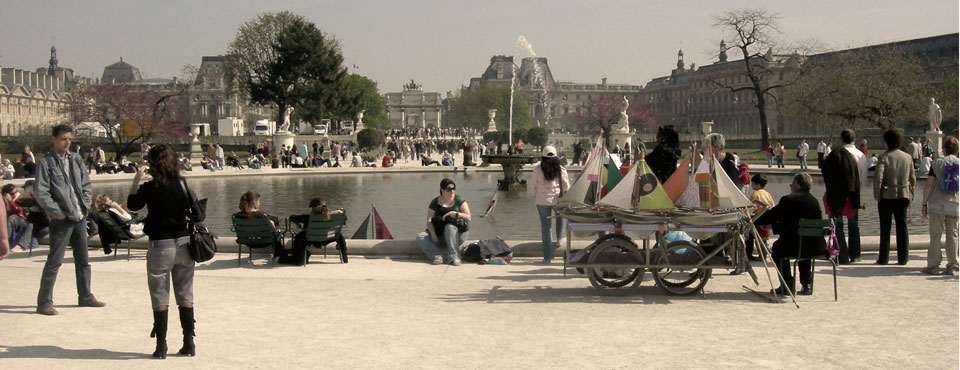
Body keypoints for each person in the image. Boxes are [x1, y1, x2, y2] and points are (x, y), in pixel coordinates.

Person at [127, 144, 200, 359]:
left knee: (160, 294)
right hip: (184, 243)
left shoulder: (150, 188)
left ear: (152, 164)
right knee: (185, 293)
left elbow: (133, 205)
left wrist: (135, 180)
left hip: (161, 245)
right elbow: (196, 211)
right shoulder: (182, 184)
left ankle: (161, 345)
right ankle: (189, 342)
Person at [34, 124, 104, 316]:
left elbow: (86, 184)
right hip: (62, 219)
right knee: (55, 261)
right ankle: (44, 302)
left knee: (83, 260)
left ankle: (85, 296)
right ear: (53, 139)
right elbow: (41, 192)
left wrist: (86, 204)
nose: (67, 143)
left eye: (69, 139)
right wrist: (57, 212)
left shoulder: (76, 159)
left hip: (80, 215)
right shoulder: (46, 163)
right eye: (63, 139)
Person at [755, 173, 826, 295]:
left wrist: (754, 219)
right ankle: (806, 285)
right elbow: (795, 224)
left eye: (791, 184)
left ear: (797, 184)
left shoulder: (789, 200)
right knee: (805, 242)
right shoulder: (814, 201)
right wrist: (774, 226)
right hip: (816, 246)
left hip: (795, 246)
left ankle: (787, 284)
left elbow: (772, 215)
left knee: (778, 248)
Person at [821, 129, 869, 265]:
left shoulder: (834, 155)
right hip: (854, 193)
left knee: (838, 226)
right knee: (854, 226)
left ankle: (842, 255)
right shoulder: (860, 155)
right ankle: (856, 254)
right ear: (854, 139)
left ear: (841, 139)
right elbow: (863, 178)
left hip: (836, 194)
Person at [873, 128, 916, 265]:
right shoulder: (907, 157)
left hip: (887, 195)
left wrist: (877, 194)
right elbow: (913, 179)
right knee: (902, 227)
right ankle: (903, 257)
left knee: (885, 228)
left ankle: (883, 257)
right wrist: (911, 193)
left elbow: (878, 177)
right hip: (903, 194)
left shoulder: (884, 157)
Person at [920, 136, 959, 276]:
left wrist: (924, 203)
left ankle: (934, 265)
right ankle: (953, 265)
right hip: (954, 203)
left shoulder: (937, 163)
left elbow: (928, 185)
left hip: (937, 203)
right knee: (953, 235)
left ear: (944, 149)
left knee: (935, 235)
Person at [415, 178, 471, 265]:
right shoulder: (434, 202)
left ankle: (454, 257)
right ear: (442, 190)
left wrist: (455, 213)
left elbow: (468, 217)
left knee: (449, 227)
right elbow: (429, 220)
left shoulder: (459, 200)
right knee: (420, 237)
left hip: (458, 234)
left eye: (453, 188)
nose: (452, 191)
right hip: (439, 234)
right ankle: (437, 256)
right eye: (448, 189)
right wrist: (433, 234)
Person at [530, 146, 570, 264]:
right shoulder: (561, 169)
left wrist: (535, 198)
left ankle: (548, 257)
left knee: (546, 229)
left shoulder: (537, 170)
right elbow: (567, 186)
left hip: (542, 201)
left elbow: (533, 187)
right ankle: (560, 237)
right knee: (560, 218)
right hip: (557, 199)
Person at [289, 198, 347, 264]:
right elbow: (345, 218)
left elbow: (292, 217)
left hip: (311, 239)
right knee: (339, 235)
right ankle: (344, 258)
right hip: (328, 238)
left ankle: (298, 256)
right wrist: (331, 213)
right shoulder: (332, 217)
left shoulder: (307, 217)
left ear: (313, 208)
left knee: (299, 237)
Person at [233, 191, 283, 257]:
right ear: (254, 202)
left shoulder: (237, 216)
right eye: (259, 201)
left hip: (246, 241)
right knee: (276, 227)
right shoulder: (262, 216)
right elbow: (273, 224)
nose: (260, 203)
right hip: (264, 242)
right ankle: (279, 252)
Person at [746, 174, 774, 260]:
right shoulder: (767, 194)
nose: (751, 185)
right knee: (763, 240)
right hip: (766, 218)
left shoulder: (755, 194)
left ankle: (749, 254)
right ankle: (763, 255)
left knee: (750, 237)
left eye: (753, 183)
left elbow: (750, 206)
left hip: (757, 219)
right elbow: (772, 206)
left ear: (758, 184)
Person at [4, 184, 35, 251]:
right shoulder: (4, 201)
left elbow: (19, 212)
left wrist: (10, 202)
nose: (15, 194)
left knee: (13, 217)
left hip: (23, 220)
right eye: (12, 193)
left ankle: (11, 244)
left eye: (16, 192)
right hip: (12, 223)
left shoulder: (20, 199)